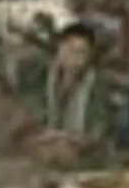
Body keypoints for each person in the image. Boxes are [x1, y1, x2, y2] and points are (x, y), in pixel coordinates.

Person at [28, 23, 114, 164]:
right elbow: (30, 114)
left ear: (89, 56)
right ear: (59, 49)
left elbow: (98, 130)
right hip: (45, 144)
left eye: (81, 53)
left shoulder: (97, 84)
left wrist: (68, 138)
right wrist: (42, 134)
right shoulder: (41, 76)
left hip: (84, 153)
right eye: (69, 50)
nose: (74, 58)